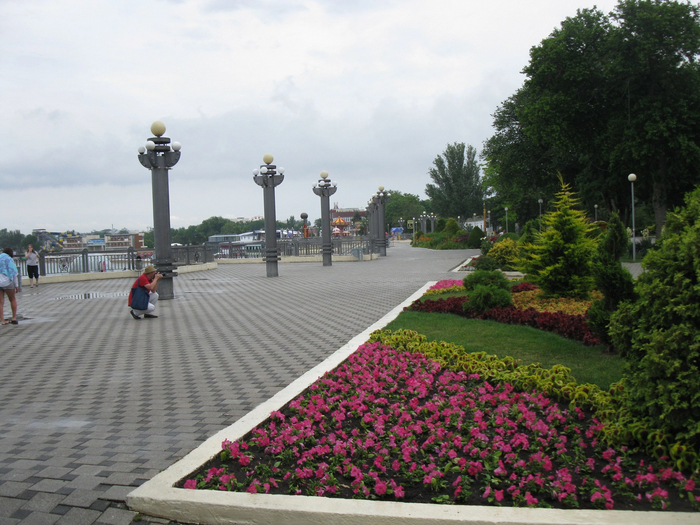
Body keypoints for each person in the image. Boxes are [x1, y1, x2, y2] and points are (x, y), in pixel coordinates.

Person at [0, 247, 19, 325]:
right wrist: (16, 285)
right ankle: (14, 318)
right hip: (8, 282)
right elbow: (13, 273)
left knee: (0, 302)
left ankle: (2, 320)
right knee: (12, 299)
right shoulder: (9, 259)